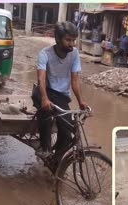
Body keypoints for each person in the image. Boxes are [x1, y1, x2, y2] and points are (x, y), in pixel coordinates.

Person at [32, 21, 88, 158]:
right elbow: (41, 79)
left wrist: (81, 101)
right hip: (44, 90)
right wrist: (44, 98)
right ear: (57, 39)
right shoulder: (45, 53)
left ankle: (57, 161)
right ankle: (44, 147)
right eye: (68, 40)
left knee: (67, 133)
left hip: (61, 96)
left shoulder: (74, 54)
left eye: (74, 40)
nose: (72, 44)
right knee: (46, 112)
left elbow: (75, 80)